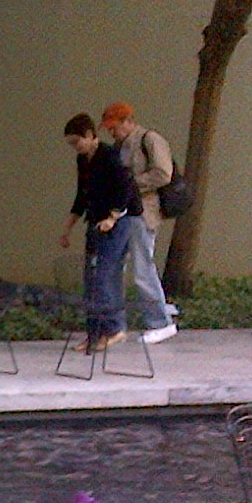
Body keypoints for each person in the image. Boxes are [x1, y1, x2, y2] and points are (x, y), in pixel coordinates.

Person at [61, 113, 141, 353]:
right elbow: (82, 196)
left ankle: (114, 328)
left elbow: (125, 188)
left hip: (118, 221)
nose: (76, 148)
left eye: (77, 142)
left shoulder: (111, 155)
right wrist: (67, 228)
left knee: (104, 274)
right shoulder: (83, 160)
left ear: (89, 135)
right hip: (95, 220)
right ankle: (94, 333)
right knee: (90, 278)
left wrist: (113, 217)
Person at [99, 102, 179, 343]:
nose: (112, 132)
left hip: (143, 212)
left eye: (114, 127)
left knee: (143, 268)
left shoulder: (150, 139)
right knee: (117, 267)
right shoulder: (120, 146)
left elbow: (163, 173)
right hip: (123, 213)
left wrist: (131, 186)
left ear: (127, 121)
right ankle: (117, 326)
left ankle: (160, 322)